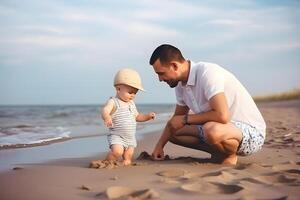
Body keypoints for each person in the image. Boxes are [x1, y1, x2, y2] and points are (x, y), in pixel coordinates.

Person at [149, 44, 266, 165]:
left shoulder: (207, 73)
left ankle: (229, 155)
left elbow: (222, 116)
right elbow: (175, 121)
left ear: (174, 65)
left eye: (161, 73)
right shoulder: (179, 86)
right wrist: (159, 146)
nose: (160, 79)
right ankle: (218, 152)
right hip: (216, 129)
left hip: (251, 134)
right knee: (172, 130)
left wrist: (185, 119)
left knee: (211, 130)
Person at [101, 68, 156, 166]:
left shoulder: (131, 103)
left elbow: (137, 117)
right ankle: (107, 162)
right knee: (117, 152)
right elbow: (105, 110)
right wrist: (107, 117)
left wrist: (147, 116)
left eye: (135, 93)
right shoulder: (113, 101)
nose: (133, 95)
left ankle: (125, 163)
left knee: (128, 156)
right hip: (117, 136)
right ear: (118, 89)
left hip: (130, 138)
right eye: (130, 92)